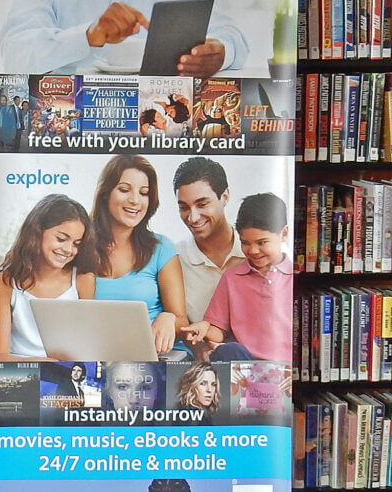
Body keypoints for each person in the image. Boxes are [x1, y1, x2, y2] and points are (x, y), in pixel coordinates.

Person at [0, 0, 248, 75]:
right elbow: (15, 54)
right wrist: (88, 35)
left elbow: (233, 38)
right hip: (67, 131)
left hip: (163, 135)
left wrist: (220, 53)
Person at [88, 155, 187, 355]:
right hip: (99, 353)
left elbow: (181, 320)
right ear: (105, 194)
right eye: (124, 190)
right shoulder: (80, 247)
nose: (135, 200)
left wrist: (168, 318)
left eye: (144, 193)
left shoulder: (161, 248)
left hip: (154, 354)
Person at [0, 194, 96, 361]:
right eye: (61, 239)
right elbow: (0, 355)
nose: (69, 249)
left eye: (76, 243)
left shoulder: (83, 280)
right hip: (19, 372)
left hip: (65, 374)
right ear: (37, 232)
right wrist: (47, 364)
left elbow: (87, 346)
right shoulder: (5, 282)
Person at [196, 193, 294, 362]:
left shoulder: (295, 277)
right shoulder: (232, 278)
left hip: (287, 369)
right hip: (245, 366)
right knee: (229, 350)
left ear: (284, 234)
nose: (253, 250)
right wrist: (204, 329)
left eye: (262, 242)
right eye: (245, 243)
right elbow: (218, 331)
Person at [171, 158, 246, 348]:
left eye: (202, 204)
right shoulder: (174, 259)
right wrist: (196, 347)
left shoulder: (258, 251)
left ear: (225, 196)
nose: (193, 218)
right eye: (184, 207)